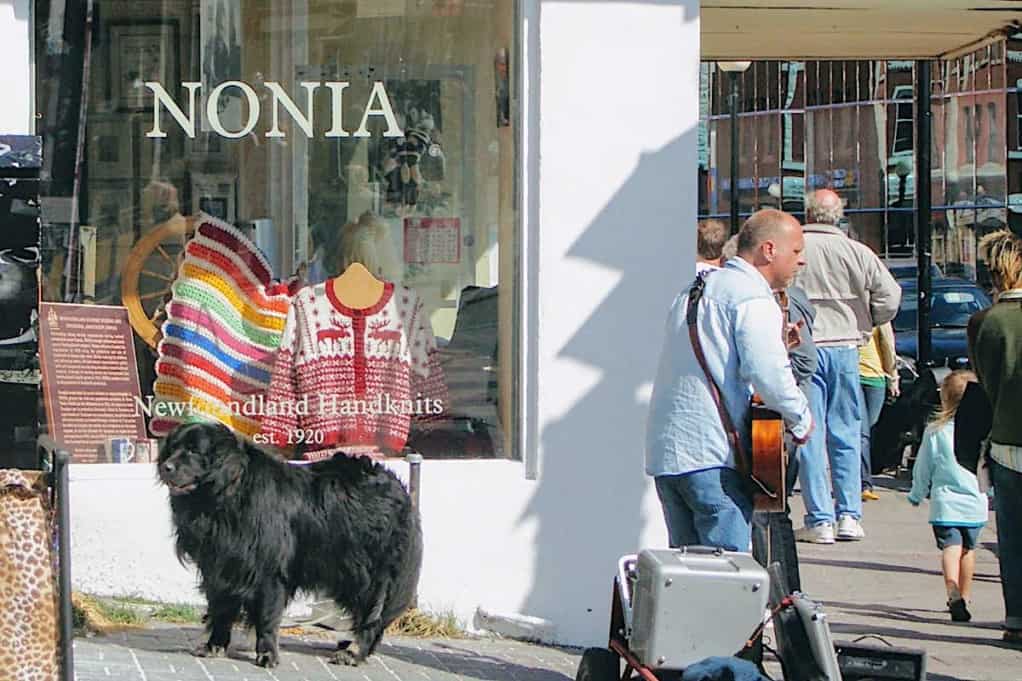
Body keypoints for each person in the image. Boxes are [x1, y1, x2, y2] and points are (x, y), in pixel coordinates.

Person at [646, 209, 813, 552]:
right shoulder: (749, 296)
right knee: (726, 583)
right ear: (769, 250)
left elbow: (712, 357)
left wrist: (775, 346)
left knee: (688, 578)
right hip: (715, 456)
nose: (802, 262)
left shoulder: (696, 289)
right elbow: (768, 374)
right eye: (796, 251)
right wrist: (801, 419)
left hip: (671, 452)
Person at [794, 189, 901, 543]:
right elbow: (890, 296)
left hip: (805, 344)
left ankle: (820, 518)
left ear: (807, 212)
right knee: (847, 432)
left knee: (810, 432)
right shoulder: (858, 252)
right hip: (844, 345)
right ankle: (849, 515)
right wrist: (867, 320)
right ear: (838, 215)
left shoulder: (796, 249)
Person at [968, 229, 1022, 644]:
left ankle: (1017, 619)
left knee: (1013, 537)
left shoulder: (983, 323)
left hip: (1005, 440)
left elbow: (985, 383)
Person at [907, 370, 988, 623]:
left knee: (951, 549)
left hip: (945, 504)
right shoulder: (982, 431)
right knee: (969, 550)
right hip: (976, 503)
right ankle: (965, 594)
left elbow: (923, 466)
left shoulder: (936, 431)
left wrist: (917, 492)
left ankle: (952, 592)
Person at [859, 322, 899, 501]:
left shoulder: (879, 316)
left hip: (875, 378)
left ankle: (863, 480)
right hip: (852, 375)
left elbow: (888, 347)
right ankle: (863, 483)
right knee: (861, 433)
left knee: (869, 430)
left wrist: (893, 379)